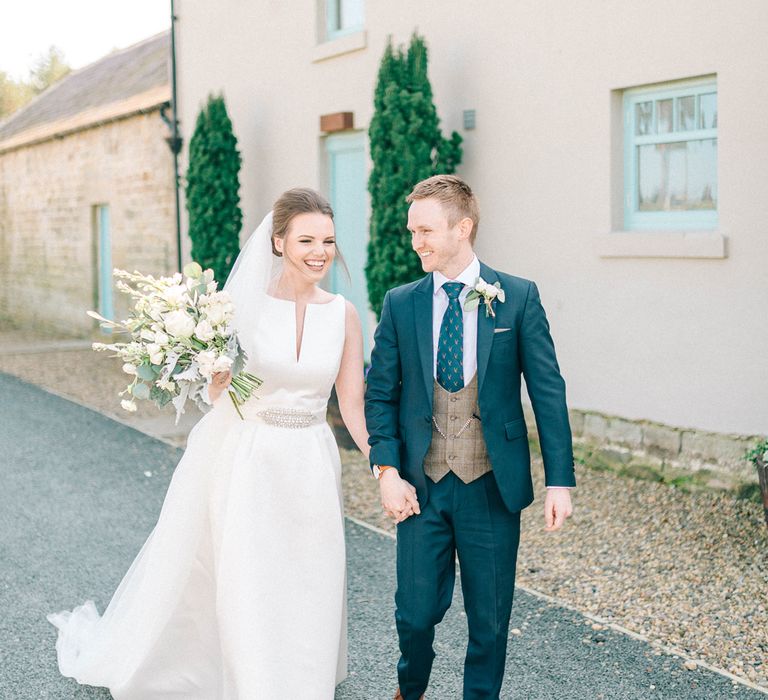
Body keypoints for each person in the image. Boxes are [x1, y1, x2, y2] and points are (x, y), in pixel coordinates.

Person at [48, 188, 369, 699]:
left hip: (311, 459)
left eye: (328, 240)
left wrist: (384, 467)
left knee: (312, 572)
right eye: (306, 239)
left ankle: (301, 677)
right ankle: (255, 682)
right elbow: (220, 390)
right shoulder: (241, 308)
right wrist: (215, 380)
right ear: (279, 242)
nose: (320, 251)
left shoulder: (345, 315)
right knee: (250, 572)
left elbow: (352, 405)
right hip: (250, 457)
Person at [365, 175, 575, 700]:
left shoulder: (519, 297)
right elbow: (380, 396)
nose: (416, 242)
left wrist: (559, 481)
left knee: (490, 621)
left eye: (426, 230)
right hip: (422, 486)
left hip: (491, 487)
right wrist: (387, 471)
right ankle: (408, 689)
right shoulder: (400, 303)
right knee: (414, 615)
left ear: (464, 228)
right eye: (412, 231)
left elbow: (548, 391)